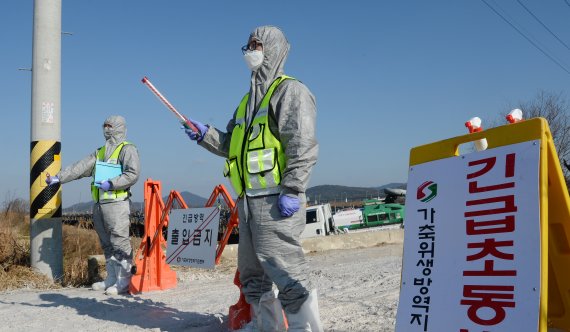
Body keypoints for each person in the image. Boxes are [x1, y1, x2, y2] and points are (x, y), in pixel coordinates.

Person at [184, 26, 323, 331]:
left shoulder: (291, 91)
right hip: (248, 202)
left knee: (284, 268)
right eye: (247, 46)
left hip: (277, 200)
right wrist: (204, 135)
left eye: (257, 45)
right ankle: (265, 325)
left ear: (273, 49)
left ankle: (305, 327)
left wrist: (293, 187)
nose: (251, 51)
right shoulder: (246, 103)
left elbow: (301, 144)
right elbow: (230, 145)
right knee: (252, 274)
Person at [45, 115, 140, 295]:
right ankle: (112, 278)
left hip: (117, 203)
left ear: (119, 127)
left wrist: (112, 183)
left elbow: (133, 174)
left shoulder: (127, 149)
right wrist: (59, 178)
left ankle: (124, 280)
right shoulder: (100, 152)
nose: (106, 129)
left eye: (110, 126)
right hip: (99, 204)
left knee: (120, 241)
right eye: (104, 126)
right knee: (106, 243)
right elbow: (80, 168)